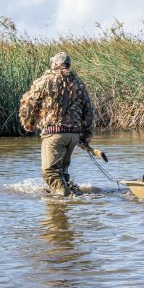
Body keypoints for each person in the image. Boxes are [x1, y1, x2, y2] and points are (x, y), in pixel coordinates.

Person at [19, 51, 94, 196]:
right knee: (62, 172)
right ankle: (62, 206)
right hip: (73, 135)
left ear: (55, 64)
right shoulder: (78, 83)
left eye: (52, 62)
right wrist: (85, 137)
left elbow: (28, 103)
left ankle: (66, 198)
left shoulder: (45, 80)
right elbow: (89, 110)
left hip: (54, 134)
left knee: (50, 172)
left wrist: (28, 122)